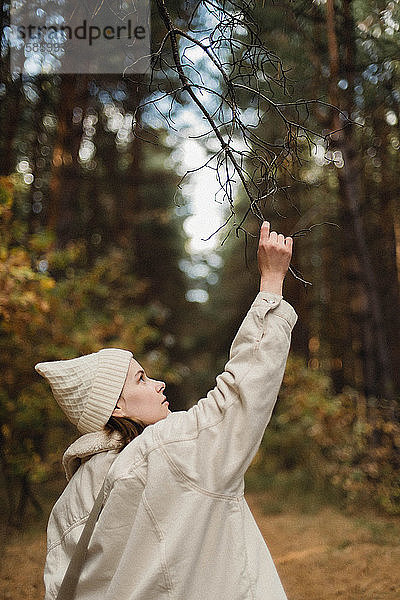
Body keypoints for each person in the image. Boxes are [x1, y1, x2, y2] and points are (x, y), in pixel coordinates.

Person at [35, 220, 297, 600]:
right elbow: (240, 397)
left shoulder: (69, 503)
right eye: (141, 379)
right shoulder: (166, 451)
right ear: (117, 406)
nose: (158, 384)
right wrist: (271, 284)